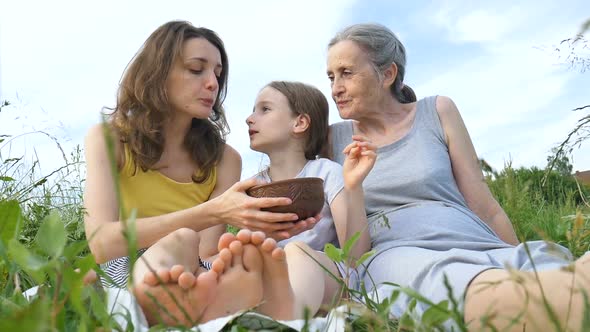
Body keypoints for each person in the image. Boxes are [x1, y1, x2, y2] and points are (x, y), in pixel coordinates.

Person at [277, 22, 589, 331]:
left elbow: (484, 204)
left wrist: (515, 253)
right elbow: (334, 221)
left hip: (479, 244)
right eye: (331, 77)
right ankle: (551, 300)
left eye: (346, 73)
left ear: (387, 74)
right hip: (401, 255)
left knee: (544, 262)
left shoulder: (437, 111)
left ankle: (550, 288)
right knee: (456, 281)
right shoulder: (333, 139)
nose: (335, 89)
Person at [83, 20, 319, 326]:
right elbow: (102, 243)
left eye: (217, 75)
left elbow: (207, 249)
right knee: (181, 239)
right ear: (157, 74)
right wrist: (211, 212)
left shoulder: (224, 159)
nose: (212, 83)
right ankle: (152, 301)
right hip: (126, 264)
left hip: (193, 267)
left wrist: (260, 230)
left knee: (275, 255)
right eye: (197, 69)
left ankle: (208, 306)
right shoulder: (109, 139)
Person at [138, 81, 378, 324]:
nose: (249, 119)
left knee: (298, 253)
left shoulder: (326, 172)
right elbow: (228, 252)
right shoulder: (250, 187)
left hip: (324, 281)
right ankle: (155, 293)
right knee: (182, 237)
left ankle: (284, 317)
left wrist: (353, 187)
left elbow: (354, 255)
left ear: (300, 123)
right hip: (257, 279)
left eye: (265, 109)